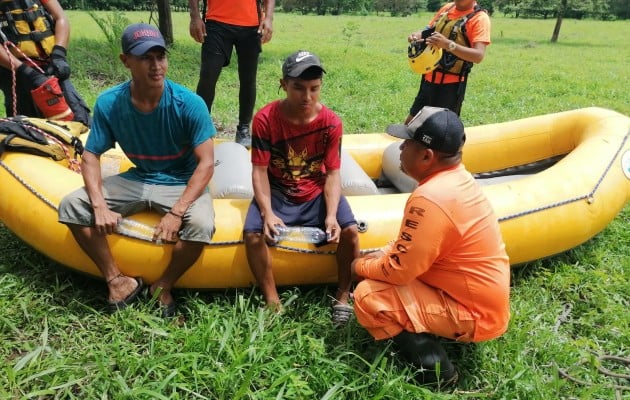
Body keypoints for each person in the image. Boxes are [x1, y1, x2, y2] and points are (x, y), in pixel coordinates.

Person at [58, 23, 216, 317]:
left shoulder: (189, 104)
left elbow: (206, 163)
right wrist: (100, 206)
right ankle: (117, 280)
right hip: (140, 176)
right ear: (126, 61)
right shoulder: (110, 103)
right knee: (71, 206)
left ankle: (164, 285)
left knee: (202, 226)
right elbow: (91, 155)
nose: (156, 66)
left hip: (181, 180)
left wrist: (177, 211)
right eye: (146, 58)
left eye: (161, 56)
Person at [351, 106, 510, 386]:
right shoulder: (457, 180)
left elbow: (398, 272)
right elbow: (410, 248)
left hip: (474, 313)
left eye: (407, 143)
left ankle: (437, 373)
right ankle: (433, 325)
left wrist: (359, 265)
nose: (400, 148)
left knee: (368, 297)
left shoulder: (430, 198)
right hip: (475, 299)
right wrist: (383, 255)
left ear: (426, 156)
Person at [243, 50, 360, 326]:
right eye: (298, 88)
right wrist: (268, 212)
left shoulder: (331, 123)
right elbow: (259, 170)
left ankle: (342, 296)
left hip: (315, 191)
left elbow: (332, 172)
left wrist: (331, 215)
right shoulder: (265, 119)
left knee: (351, 232)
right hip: (279, 190)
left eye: (314, 89)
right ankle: (272, 300)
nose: (307, 97)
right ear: (283, 84)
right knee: (252, 236)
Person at [188, 0, 275, 148]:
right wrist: (194, 16)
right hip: (216, 22)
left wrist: (269, 18)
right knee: (208, 75)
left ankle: (244, 129)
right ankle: (200, 127)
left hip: (251, 24)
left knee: (248, 78)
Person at [0, 0, 91, 125]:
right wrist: (26, 72)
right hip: (15, 72)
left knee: (78, 119)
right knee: (29, 130)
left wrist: (59, 55)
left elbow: (60, 18)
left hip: (51, 66)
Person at [404, 0, 490, 122]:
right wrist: (417, 35)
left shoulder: (480, 18)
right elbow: (429, 30)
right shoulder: (447, 8)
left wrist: (448, 44)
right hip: (428, 79)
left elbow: (478, 56)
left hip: (451, 87)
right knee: (410, 124)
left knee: (439, 131)